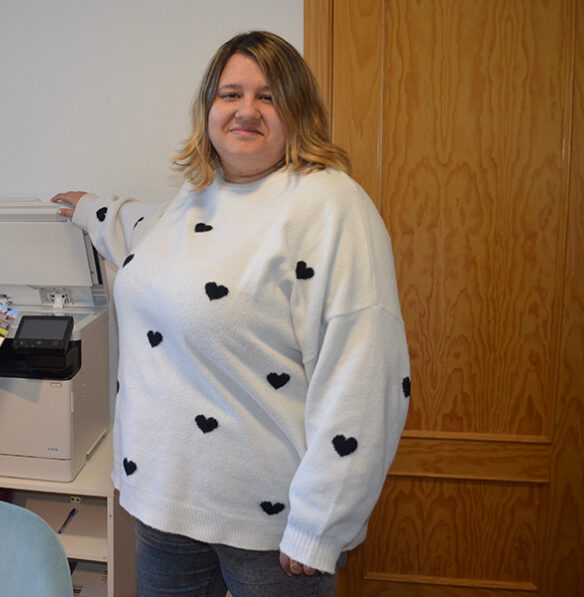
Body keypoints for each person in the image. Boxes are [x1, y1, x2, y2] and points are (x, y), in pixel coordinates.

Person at [52, 31, 410, 597]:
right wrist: (93, 210)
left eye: (267, 97)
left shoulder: (330, 206)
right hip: (163, 503)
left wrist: (322, 526)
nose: (246, 110)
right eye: (231, 94)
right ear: (208, 110)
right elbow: (149, 243)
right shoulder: (194, 198)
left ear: (298, 112)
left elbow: (365, 375)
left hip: (270, 531)